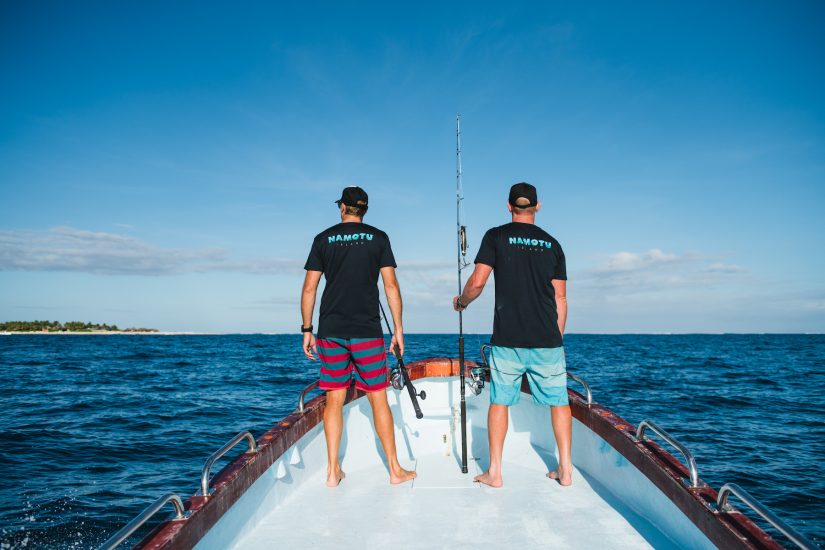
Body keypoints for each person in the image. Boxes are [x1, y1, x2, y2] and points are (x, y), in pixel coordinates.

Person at [453, 182, 571, 488]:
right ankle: (566, 470)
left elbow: (477, 282)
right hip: (548, 339)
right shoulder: (553, 244)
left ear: (508, 206)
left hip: (507, 340)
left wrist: (462, 302)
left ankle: (495, 472)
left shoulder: (496, 236)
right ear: (537, 206)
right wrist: (556, 337)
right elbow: (560, 298)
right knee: (560, 402)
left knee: (500, 402)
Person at [301, 185, 416, 487]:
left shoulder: (323, 239)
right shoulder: (379, 238)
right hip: (367, 332)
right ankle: (394, 470)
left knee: (334, 399)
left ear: (342, 208)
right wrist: (399, 328)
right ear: (364, 209)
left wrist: (307, 329)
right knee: (378, 397)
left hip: (331, 332)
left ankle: (331, 471)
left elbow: (310, 288)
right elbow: (391, 286)